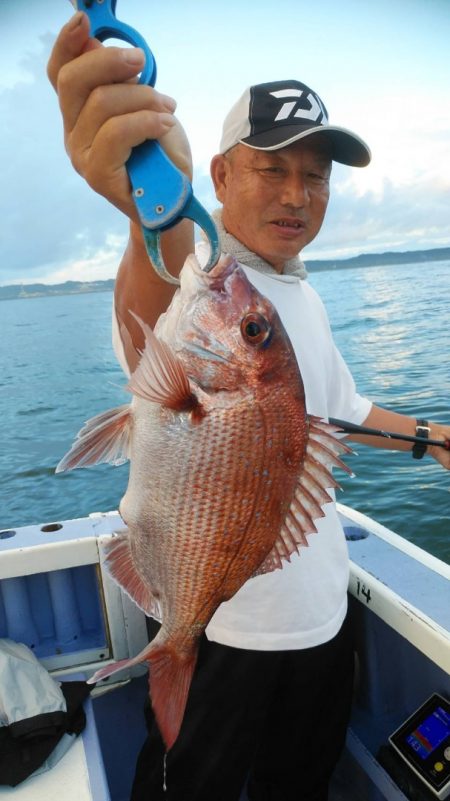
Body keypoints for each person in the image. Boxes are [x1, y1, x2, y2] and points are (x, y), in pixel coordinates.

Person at [47, 12, 450, 801]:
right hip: (223, 630)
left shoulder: (299, 296)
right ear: (222, 178)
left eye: (317, 174)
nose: (299, 194)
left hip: (323, 624)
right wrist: (144, 210)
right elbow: (156, 302)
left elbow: (342, 411)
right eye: (273, 168)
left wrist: (433, 435)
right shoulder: (209, 282)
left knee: (299, 783)